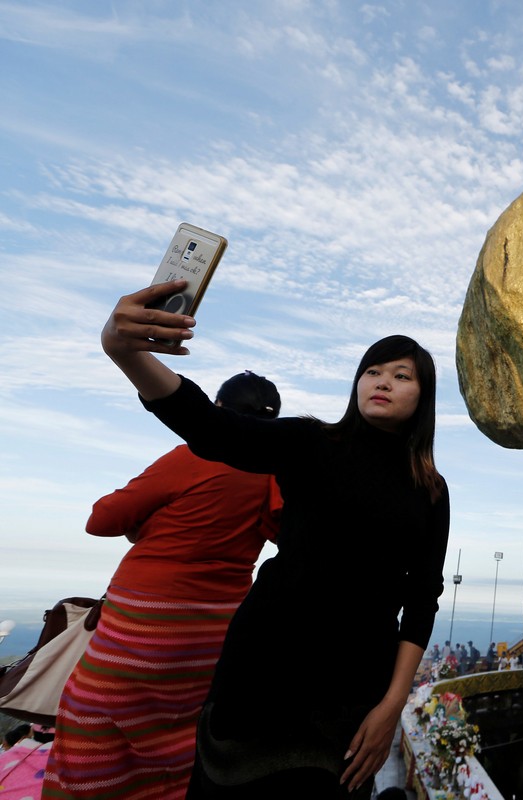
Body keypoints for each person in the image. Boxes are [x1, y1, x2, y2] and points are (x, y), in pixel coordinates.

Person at [97, 280, 450, 798]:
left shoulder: (431, 491)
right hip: (259, 673)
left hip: (351, 693)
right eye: (372, 371)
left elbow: (422, 601)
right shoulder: (312, 442)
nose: (383, 382)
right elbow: (214, 428)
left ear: (423, 396)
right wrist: (124, 353)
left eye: (401, 375)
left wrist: (392, 705)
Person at [43, 372, 283, 799]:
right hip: (213, 632)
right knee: (171, 733)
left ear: (217, 412)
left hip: (145, 620)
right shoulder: (273, 471)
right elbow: (279, 529)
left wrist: (147, 523)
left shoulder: (193, 455)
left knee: (91, 724)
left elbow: (101, 520)